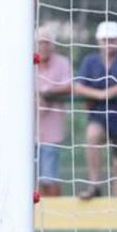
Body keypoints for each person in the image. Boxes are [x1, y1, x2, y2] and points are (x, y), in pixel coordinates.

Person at [74, 21, 117, 199]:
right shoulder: (90, 61)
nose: (108, 43)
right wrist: (100, 95)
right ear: (98, 41)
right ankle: (94, 185)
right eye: (104, 40)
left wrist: (103, 94)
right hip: (99, 115)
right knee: (92, 135)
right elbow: (78, 86)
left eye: (112, 39)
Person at [36, 27, 74, 198]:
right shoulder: (25, 62)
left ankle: (53, 212)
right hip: (27, 133)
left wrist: (47, 92)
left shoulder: (62, 62)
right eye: (40, 42)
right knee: (33, 180)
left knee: (49, 178)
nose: (43, 46)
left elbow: (69, 85)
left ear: (53, 45)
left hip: (52, 130)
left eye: (47, 42)